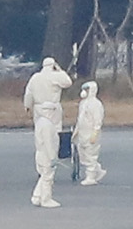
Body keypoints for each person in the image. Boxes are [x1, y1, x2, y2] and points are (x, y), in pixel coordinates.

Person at [22, 57, 71, 208]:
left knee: (41, 137)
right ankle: (49, 161)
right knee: (51, 137)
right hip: (53, 107)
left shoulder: (35, 77)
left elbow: (28, 93)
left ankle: (39, 190)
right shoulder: (55, 76)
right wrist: (59, 69)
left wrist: (27, 106)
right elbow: (68, 82)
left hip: (38, 107)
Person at [74, 80, 106, 185]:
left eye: (87, 89)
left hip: (91, 133)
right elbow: (80, 119)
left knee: (91, 154)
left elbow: (98, 120)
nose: (84, 92)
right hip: (82, 133)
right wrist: (76, 131)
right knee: (83, 154)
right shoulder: (83, 103)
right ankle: (99, 171)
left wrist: (95, 132)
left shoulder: (96, 104)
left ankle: (91, 177)